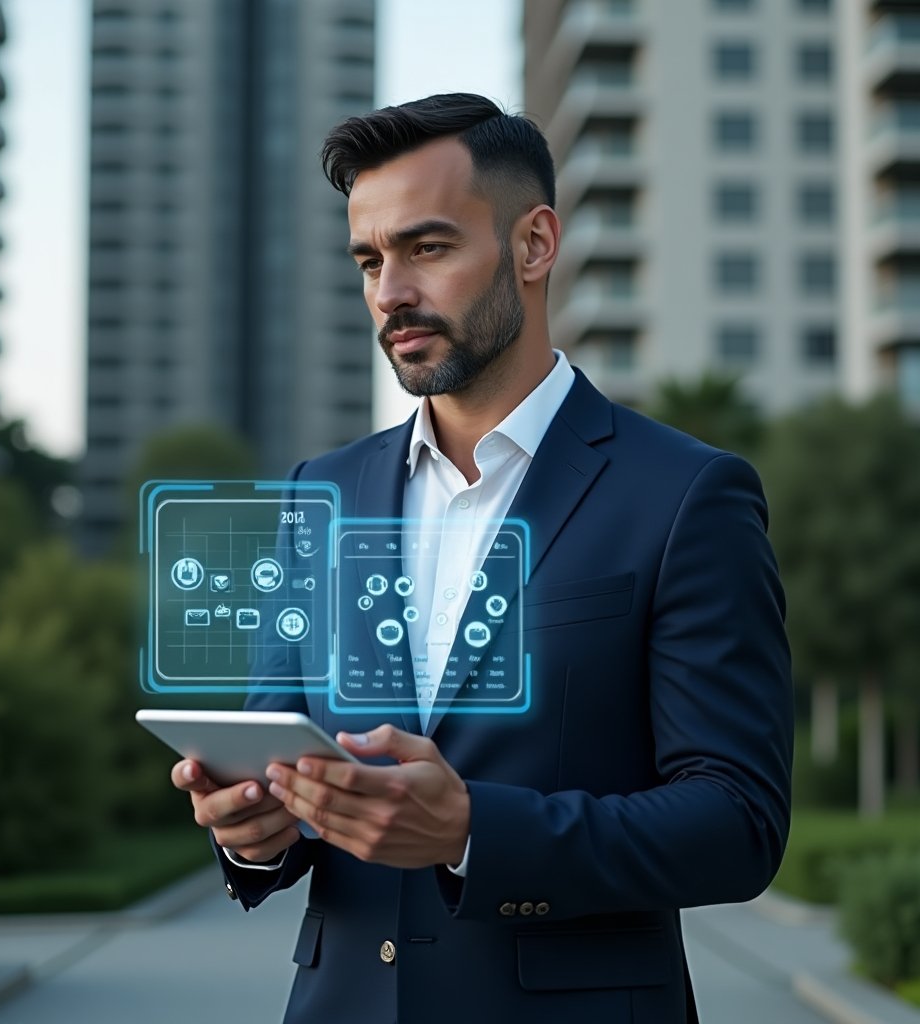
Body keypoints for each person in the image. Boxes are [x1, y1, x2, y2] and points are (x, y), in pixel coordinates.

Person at [171, 93, 793, 1024]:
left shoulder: (686, 494)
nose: (390, 292)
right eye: (369, 260)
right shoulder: (318, 494)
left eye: (426, 248)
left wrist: (472, 829)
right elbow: (280, 760)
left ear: (534, 245)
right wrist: (252, 832)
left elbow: (738, 821)